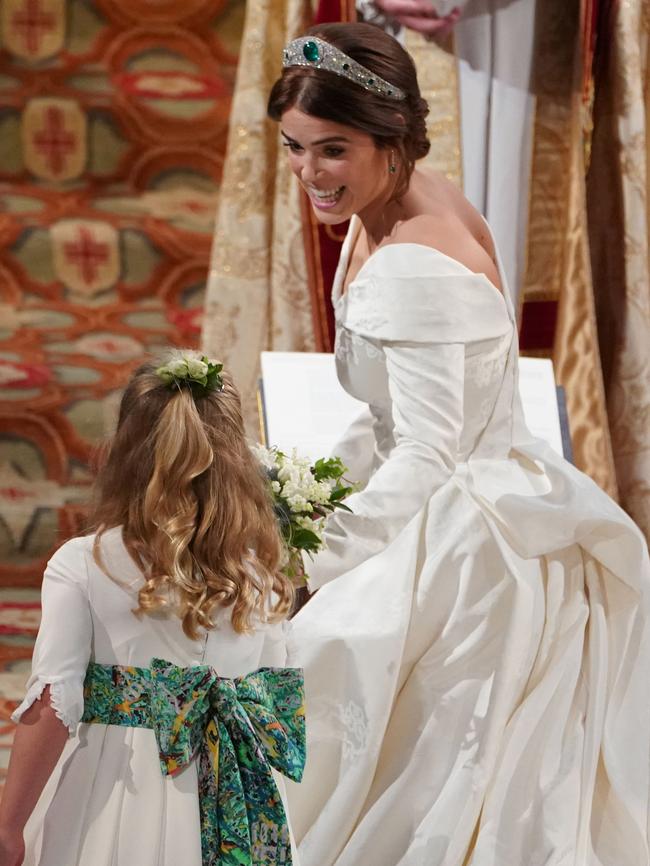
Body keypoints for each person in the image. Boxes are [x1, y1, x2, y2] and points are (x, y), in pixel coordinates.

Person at [268, 23, 650, 866]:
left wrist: (309, 558)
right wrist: (314, 485)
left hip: (470, 543)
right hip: (467, 494)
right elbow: (403, 420)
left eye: (333, 150)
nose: (309, 175)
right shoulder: (412, 196)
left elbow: (429, 457)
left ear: (391, 137)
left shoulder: (415, 266)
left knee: (315, 665)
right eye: (295, 148)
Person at [0, 351, 306, 866]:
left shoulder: (84, 563)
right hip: (234, 798)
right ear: (235, 459)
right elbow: (272, 694)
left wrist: (8, 828)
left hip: (116, 790)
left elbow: (54, 701)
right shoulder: (262, 574)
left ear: (125, 450)